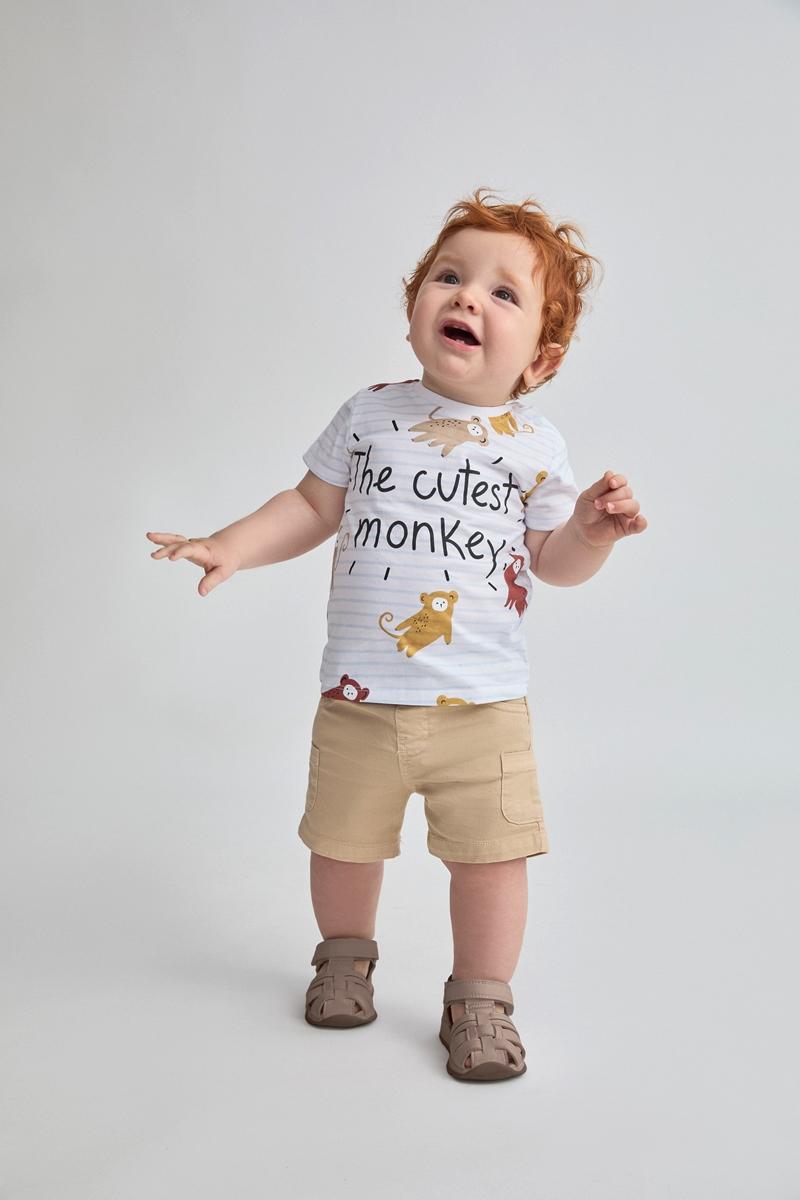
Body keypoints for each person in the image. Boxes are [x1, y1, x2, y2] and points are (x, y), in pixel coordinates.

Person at [146, 187, 648, 1083]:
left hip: (483, 710)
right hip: (359, 700)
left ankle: (482, 1000)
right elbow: (311, 507)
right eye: (449, 278)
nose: (467, 298)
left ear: (544, 357)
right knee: (341, 844)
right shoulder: (370, 413)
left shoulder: (535, 446)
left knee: (491, 862)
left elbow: (552, 561)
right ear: (415, 306)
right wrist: (230, 544)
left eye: (503, 293)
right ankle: (343, 959)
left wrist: (591, 535)